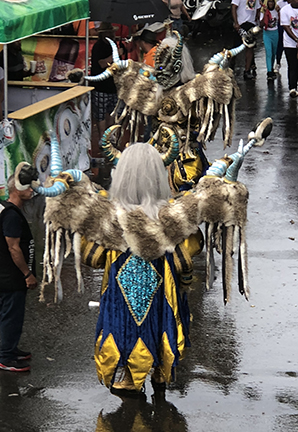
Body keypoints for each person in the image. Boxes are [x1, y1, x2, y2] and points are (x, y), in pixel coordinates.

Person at [0, 163, 38, 372]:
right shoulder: (12, 215)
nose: (32, 190)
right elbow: (14, 248)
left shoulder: (6, 209)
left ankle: (10, 349)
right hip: (12, 277)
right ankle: (6, 357)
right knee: (11, 316)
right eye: (28, 186)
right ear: (17, 188)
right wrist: (27, 274)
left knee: (10, 314)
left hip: (7, 276)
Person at [90, 22, 120, 157]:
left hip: (113, 86)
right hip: (101, 85)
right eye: (110, 32)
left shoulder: (115, 46)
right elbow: (102, 64)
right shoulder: (98, 47)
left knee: (112, 113)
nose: (113, 35)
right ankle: (103, 138)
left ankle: (111, 136)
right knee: (101, 115)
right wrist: (115, 55)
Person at [231, 0, 261, 80]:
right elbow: (234, 7)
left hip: (251, 24)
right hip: (241, 24)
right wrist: (236, 22)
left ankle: (247, 71)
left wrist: (257, 22)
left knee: (250, 47)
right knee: (236, 47)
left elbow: (258, 8)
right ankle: (231, 66)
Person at [280, 0, 298, 97]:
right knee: (292, 65)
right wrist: (296, 39)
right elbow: (286, 27)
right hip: (290, 43)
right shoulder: (285, 10)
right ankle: (292, 88)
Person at [260, 0, 279, 80]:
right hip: (267, 33)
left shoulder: (277, 11)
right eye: (269, 2)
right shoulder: (263, 11)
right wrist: (265, 14)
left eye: (272, 2)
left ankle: (272, 67)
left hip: (275, 33)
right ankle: (269, 71)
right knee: (269, 52)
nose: (270, 3)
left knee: (274, 53)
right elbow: (261, 24)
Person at [275, 0, 290, 72]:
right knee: (280, 44)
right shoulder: (279, 3)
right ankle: (278, 62)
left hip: (292, 25)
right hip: (282, 25)